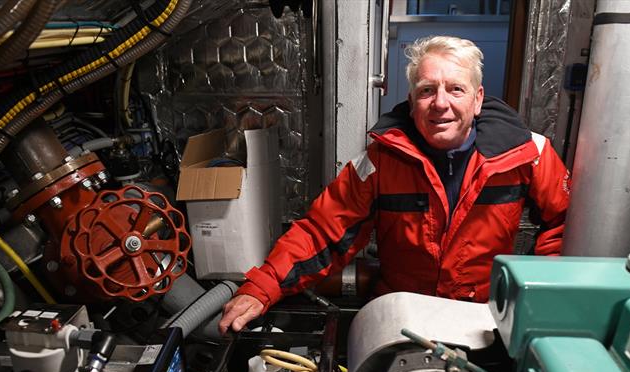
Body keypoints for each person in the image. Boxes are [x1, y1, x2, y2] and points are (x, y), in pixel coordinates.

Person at [218, 35, 570, 334]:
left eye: (456, 89)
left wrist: (540, 298)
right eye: (427, 90)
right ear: (412, 101)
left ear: (477, 99)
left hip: (484, 321)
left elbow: (564, 225)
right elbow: (322, 232)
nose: (441, 103)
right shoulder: (382, 160)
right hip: (402, 319)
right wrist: (263, 287)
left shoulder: (529, 154)